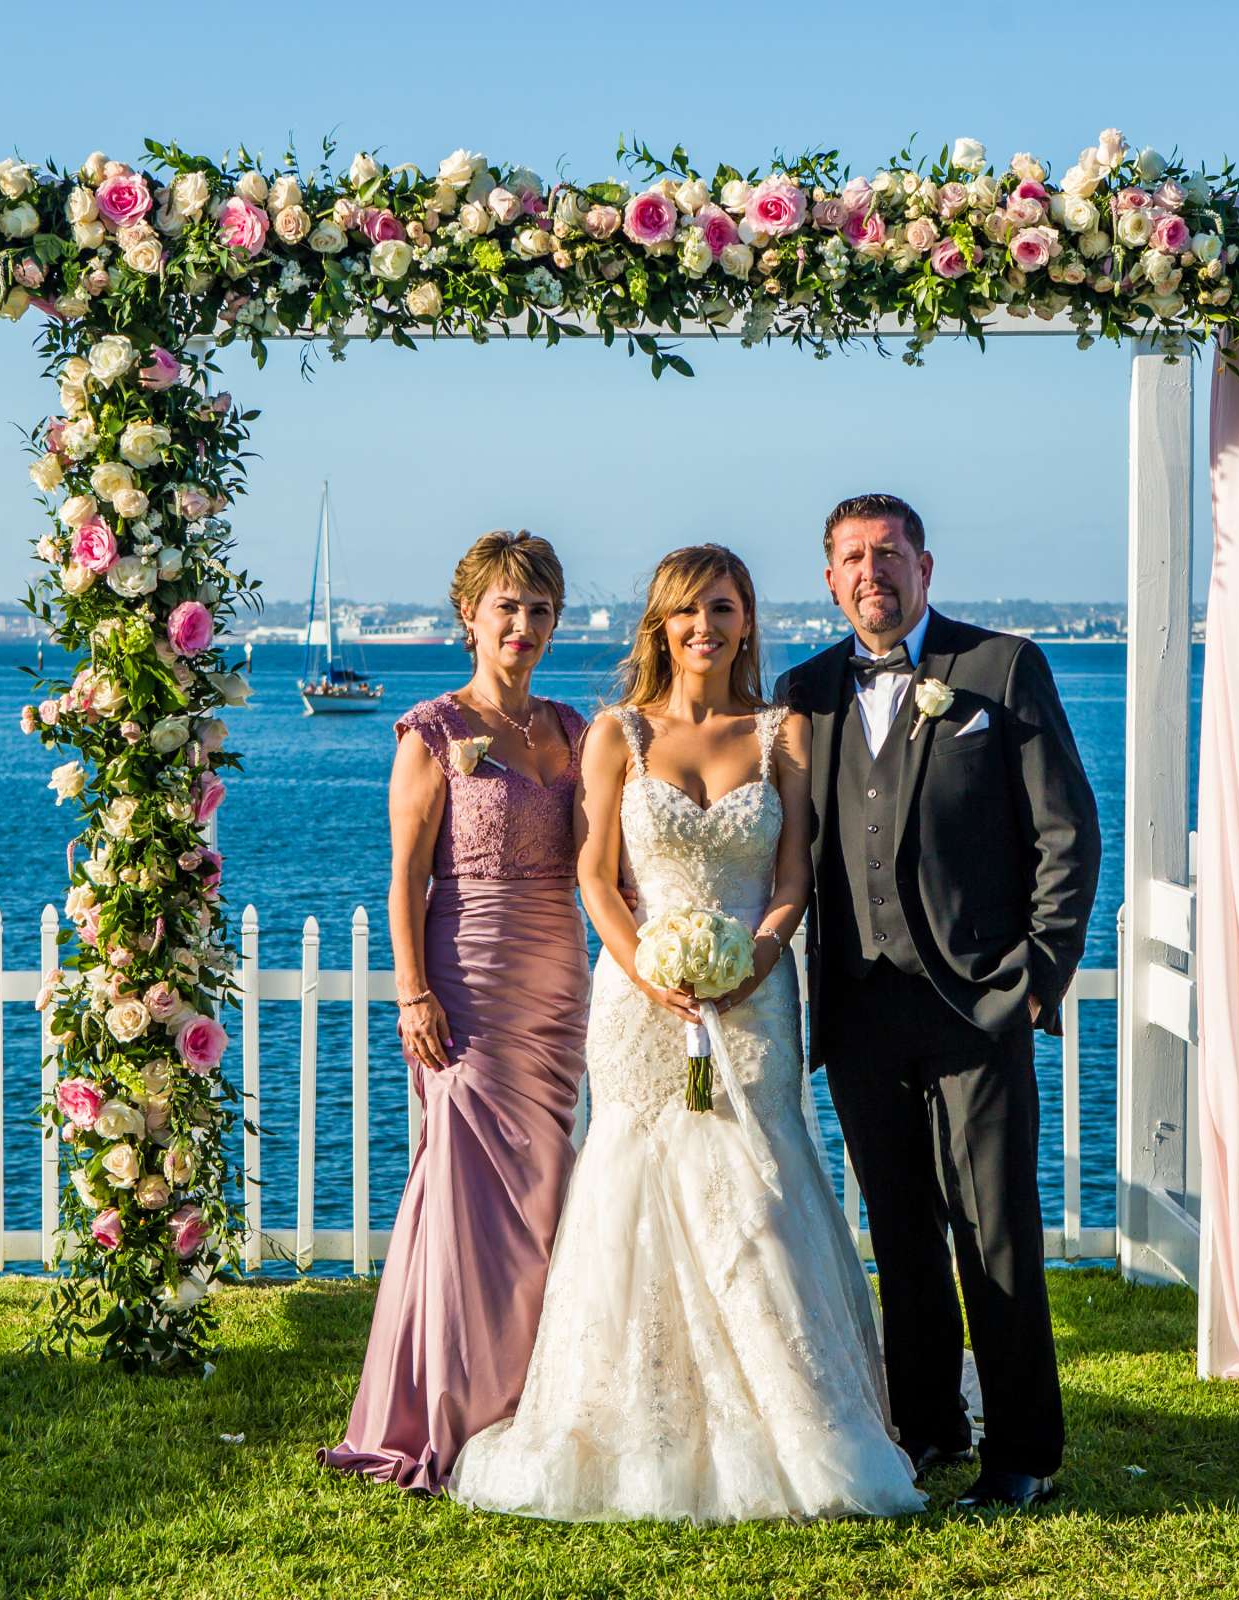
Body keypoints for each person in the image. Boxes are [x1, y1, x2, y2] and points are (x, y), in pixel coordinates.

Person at [451, 544, 922, 1524]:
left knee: (760, 1176)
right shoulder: (619, 733)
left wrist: (755, 954)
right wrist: (646, 967)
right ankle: (639, 1430)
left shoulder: (779, 732)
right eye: (685, 613)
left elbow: (793, 875)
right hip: (643, 1001)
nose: (703, 627)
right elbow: (593, 874)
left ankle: (798, 1424)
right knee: (638, 1185)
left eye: (722, 608)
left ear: (747, 620)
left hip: (754, 996)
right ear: (660, 628)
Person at [774, 493, 1101, 1511]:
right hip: (862, 1011)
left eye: (888, 553)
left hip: (976, 1005)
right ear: (830, 580)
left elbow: (1068, 833)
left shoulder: (1000, 670)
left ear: (925, 564)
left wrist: (1037, 978)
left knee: (993, 1229)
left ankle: (1024, 1450)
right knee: (900, 1229)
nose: (871, 572)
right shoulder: (806, 689)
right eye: (851, 559)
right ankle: (926, 1425)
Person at [319, 531, 589, 1494]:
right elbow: (403, 875)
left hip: (558, 979)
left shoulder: (575, 728)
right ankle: (450, 1409)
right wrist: (412, 991)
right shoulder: (431, 730)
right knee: (468, 1197)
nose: (523, 626)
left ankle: (532, 1396)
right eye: (506, 608)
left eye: (540, 609)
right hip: (465, 981)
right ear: (469, 616)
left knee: (548, 1190)